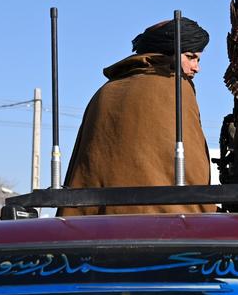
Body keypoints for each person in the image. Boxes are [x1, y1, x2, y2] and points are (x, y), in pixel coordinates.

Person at [57, 17, 215, 216]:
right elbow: (195, 168)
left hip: (93, 226)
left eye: (198, 59)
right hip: (165, 226)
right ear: (167, 50)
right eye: (191, 56)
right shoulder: (177, 89)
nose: (196, 67)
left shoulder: (105, 91)